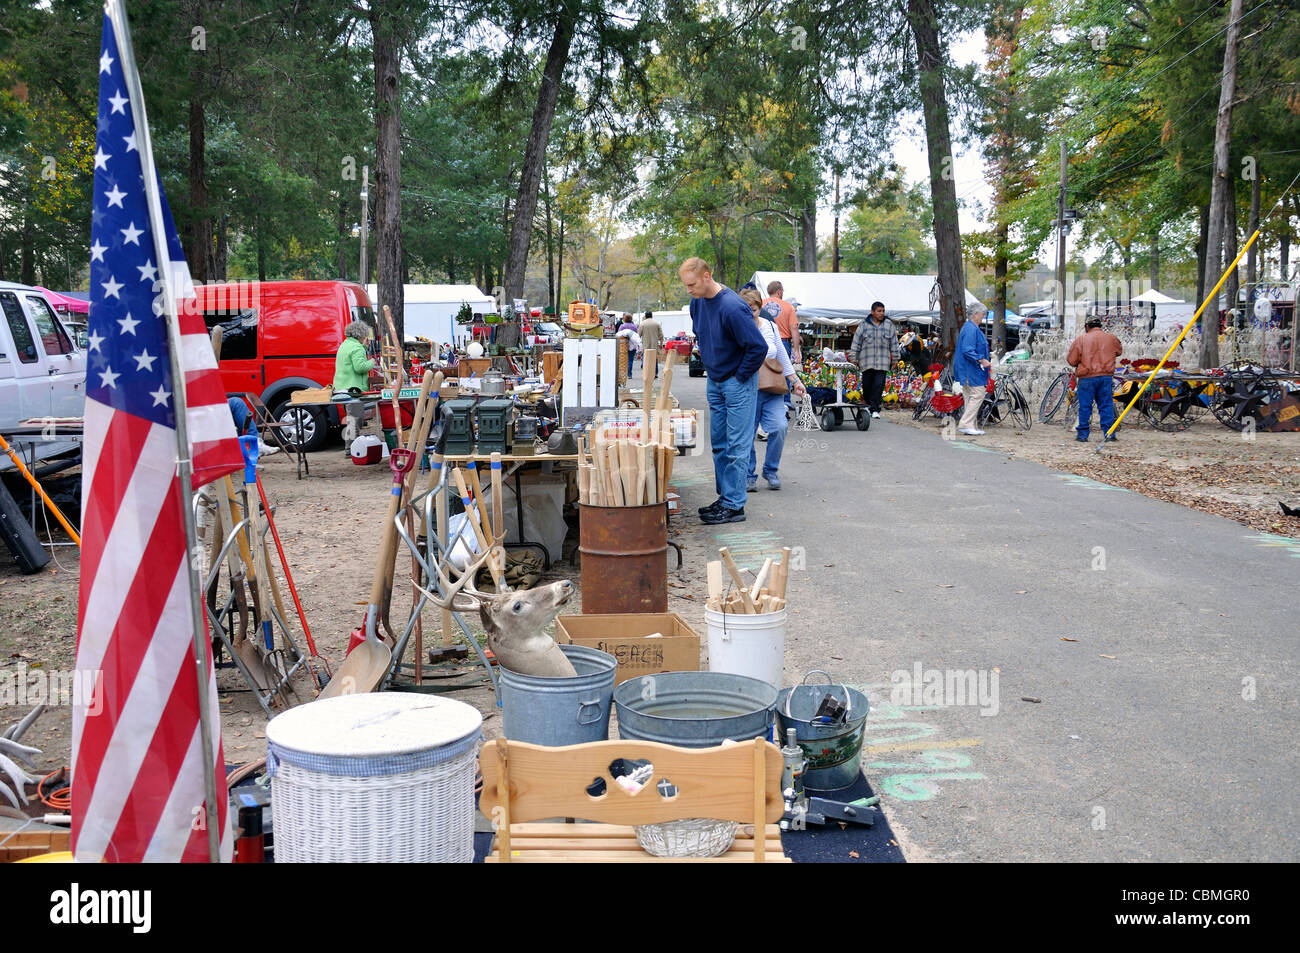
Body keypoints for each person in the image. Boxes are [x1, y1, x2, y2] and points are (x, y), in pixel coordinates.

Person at [680, 257, 768, 525]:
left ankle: (734, 505)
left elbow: (758, 347)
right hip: (715, 380)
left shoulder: (732, 307)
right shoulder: (697, 303)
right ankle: (725, 498)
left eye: (692, 284)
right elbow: (702, 333)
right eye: (685, 285)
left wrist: (740, 376)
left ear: (707, 276)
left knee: (737, 446)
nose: (689, 290)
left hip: (736, 382)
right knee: (719, 443)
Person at [740, 288, 806, 491]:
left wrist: (795, 380)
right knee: (747, 434)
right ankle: (749, 474)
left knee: (780, 426)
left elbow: (782, 356)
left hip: (772, 387)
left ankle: (770, 469)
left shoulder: (770, 325)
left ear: (760, 308)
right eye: (746, 309)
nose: (751, 313)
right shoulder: (737, 327)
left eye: (754, 309)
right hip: (747, 388)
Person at [1067, 316, 1124, 442]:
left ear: (1087, 327)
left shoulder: (1081, 339)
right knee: (1106, 405)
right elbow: (1119, 351)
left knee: (1085, 406)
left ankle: (1082, 435)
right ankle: (1109, 434)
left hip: (1087, 377)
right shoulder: (1111, 338)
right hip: (1106, 377)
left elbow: (1072, 360)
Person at [849, 301, 898, 418]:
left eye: (883, 311)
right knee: (867, 385)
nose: (881, 313)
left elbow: (894, 343)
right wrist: (853, 358)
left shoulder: (889, 325)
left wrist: (895, 359)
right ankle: (868, 404)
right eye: (879, 311)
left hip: (883, 361)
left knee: (879, 385)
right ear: (872, 312)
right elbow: (856, 342)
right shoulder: (863, 325)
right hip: (867, 361)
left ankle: (875, 409)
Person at [760, 281, 802, 406]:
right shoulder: (788, 307)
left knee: (764, 370)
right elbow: (794, 328)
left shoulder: (760, 304)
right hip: (783, 342)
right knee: (784, 371)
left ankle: (765, 398)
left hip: (763, 341)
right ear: (779, 291)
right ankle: (785, 402)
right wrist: (796, 350)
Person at [954, 303, 991, 436]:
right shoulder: (971, 329)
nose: (983, 317)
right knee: (978, 394)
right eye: (982, 314)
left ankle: (971, 426)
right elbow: (968, 350)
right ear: (975, 314)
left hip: (967, 368)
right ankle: (965, 424)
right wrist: (982, 359)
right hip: (971, 369)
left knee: (969, 396)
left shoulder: (969, 327)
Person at [334, 319, 376, 392]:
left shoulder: (345, 344)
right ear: (361, 335)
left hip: (341, 386)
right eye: (365, 335)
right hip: (354, 389)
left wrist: (364, 347)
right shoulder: (357, 347)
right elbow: (360, 368)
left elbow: (355, 356)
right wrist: (372, 362)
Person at [639, 310, 663, 377]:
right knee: (654, 359)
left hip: (645, 345)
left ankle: (646, 373)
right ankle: (655, 373)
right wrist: (661, 343)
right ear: (652, 316)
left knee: (645, 359)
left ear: (645, 316)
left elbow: (639, 334)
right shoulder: (657, 323)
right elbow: (661, 335)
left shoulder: (642, 324)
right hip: (654, 345)